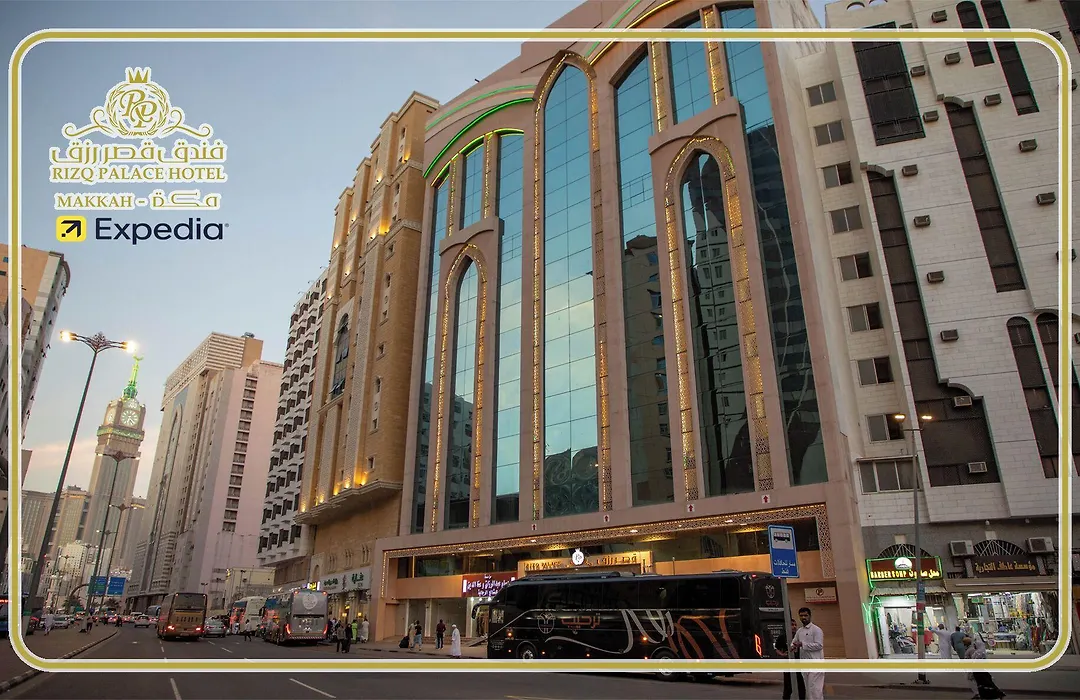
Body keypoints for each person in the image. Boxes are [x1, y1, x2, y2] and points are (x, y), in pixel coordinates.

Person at [791, 607, 825, 700]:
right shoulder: (800, 631)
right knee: (809, 690)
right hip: (804, 664)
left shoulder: (816, 630)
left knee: (815, 690)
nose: (803, 618)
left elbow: (819, 645)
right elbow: (794, 641)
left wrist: (803, 644)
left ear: (810, 616)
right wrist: (793, 646)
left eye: (805, 615)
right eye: (801, 616)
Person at [965, 634, 1005, 699]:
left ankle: (990, 694)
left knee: (984, 683)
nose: (974, 646)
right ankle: (995, 694)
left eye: (975, 645)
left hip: (977, 670)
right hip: (979, 670)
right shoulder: (980, 651)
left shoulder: (978, 653)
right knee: (987, 682)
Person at [777, 620, 805, 700]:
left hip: (799, 665)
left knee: (801, 686)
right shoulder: (783, 637)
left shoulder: (800, 636)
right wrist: (782, 654)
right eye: (792, 625)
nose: (794, 627)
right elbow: (777, 648)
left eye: (795, 625)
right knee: (788, 686)